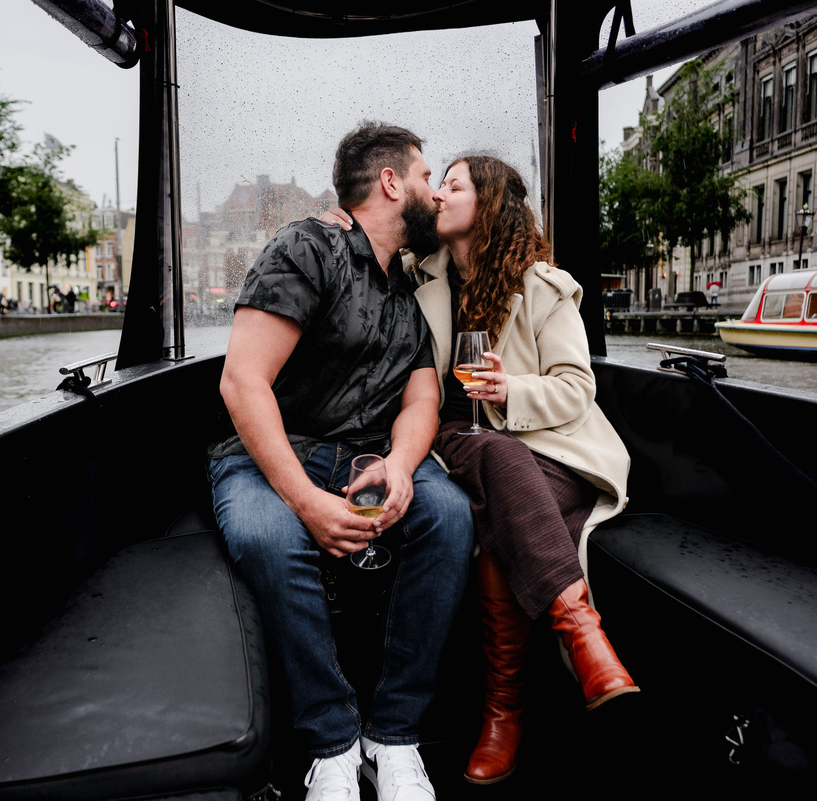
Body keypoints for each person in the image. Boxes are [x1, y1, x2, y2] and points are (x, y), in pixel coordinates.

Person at [326, 153, 635, 785]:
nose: (437, 195)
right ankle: (582, 634)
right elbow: (378, 242)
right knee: (492, 455)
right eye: (437, 183)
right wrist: (344, 226)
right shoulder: (423, 275)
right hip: (462, 443)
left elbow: (577, 389)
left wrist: (510, 391)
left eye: (454, 185)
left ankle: (504, 713)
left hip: (556, 450)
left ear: (488, 203)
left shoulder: (547, 287)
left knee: (496, 520)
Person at [208, 122, 474, 801]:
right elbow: (243, 382)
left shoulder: (405, 297)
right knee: (270, 535)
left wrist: (404, 464)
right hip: (268, 458)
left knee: (447, 514)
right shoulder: (307, 247)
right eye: (424, 178)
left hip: (366, 459)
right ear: (391, 183)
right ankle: (331, 742)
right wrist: (304, 500)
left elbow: (421, 400)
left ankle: (394, 736)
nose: (433, 195)